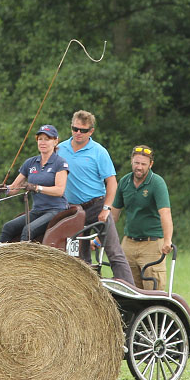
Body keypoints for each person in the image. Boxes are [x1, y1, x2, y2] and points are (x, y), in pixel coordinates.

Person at [57, 110, 135, 284]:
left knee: (113, 250)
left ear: (91, 131)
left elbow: (112, 182)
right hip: (73, 210)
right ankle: (86, 290)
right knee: (77, 255)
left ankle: (130, 287)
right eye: (74, 128)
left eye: (83, 130)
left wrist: (107, 208)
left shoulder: (99, 152)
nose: (78, 133)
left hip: (96, 206)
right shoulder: (60, 149)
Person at [112, 144, 173, 290]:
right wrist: (100, 237)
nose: (139, 167)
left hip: (151, 243)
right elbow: (114, 214)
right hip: (129, 242)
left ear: (150, 165)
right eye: (136, 163)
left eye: (143, 164)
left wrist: (167, 240)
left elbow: (165, 213)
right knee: (127, 288)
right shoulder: (124, 182)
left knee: (152, 289)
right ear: (131, 162)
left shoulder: (157, 183)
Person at [0, 124, 70, 243]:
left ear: (55, 142)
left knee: (28, 230)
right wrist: (4, 189)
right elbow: (14, 188)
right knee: (8, 227)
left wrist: (37, 188)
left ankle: (23, 260)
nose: (43, 142)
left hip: (56, 210)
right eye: (40, 139)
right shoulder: (30, 163)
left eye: (47, 139)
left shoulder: (60, 163)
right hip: (37, 210)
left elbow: (59, 191)